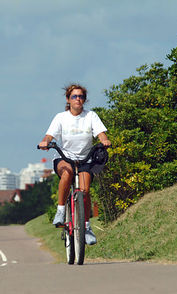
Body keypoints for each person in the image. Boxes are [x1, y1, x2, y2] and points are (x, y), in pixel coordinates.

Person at [38, 84, 111, 245]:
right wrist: (46, 142)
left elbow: (100, 133)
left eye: (81, 97)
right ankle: (61, 210)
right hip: (65, 158)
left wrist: (104, 140)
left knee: (84, 191)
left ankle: (86, 227)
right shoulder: (61, 117)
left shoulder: (91, 116)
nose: (78, 99)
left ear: (84, 100)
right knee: (67, 173)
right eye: (74, 96)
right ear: (68, 99)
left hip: (85, 159)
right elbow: (50, 135)